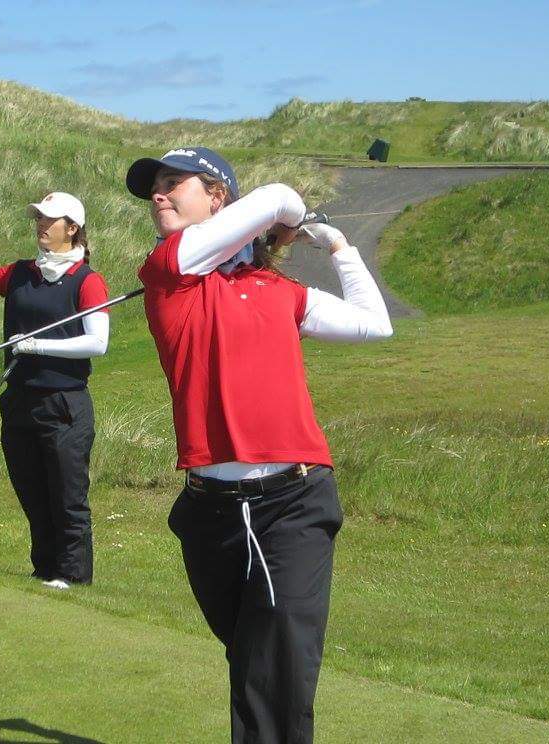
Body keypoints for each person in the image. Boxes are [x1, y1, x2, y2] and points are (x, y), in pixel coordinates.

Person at [125, 148, 393, 743]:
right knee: (255, 659)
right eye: (155, 188)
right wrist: (287, 218)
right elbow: (279, 198)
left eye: (174, 183)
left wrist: (339, 248)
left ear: (218, 196)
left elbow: (375, 323)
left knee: (276, 665)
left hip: (293, 501)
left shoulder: (279, 291)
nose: (158, 195)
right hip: (210, 512)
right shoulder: (167, 270)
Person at [0, 192, 110, 590]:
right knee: (32, 492)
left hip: (64, 403)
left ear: (71, 229)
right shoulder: (22, 272)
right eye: (39, 217)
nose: (41, 224)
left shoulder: (88, 282)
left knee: (67, 495)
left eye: (49, 219)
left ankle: (73, 576)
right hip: (19, 399)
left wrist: (37, 345)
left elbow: (97, 343)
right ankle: (44, 570)